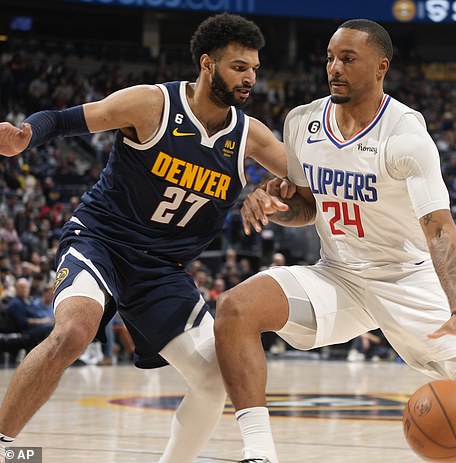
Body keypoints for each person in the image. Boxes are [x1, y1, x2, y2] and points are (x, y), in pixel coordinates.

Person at [214, 19, 456, 463]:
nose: (334, 68)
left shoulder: (406, 136)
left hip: (407, 281)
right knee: (235, 308)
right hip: (340, 275)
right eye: (330, 58)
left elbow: (440, 230)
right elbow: (309, 206)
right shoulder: (302, 122)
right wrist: (272, 205)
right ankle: (259, 454)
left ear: (381, 66)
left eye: (348, 59)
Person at [0, 13, 286, 463]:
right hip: (101, 241)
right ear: (208, 64)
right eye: (238, 67)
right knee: (74, 331)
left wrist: (265, 192)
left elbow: (311, 185)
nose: (250, 78)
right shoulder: (151, 105)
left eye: (254, 68)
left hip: (160, 271)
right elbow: (60, 120)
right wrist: (25, 136)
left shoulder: (251, 136)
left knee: (215, 380)